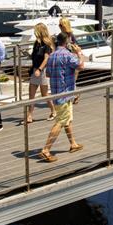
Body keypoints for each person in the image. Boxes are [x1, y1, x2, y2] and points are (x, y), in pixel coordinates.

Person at [39, 32, 84, 162]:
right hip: (65, 93)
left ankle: (73, 143)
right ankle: (46, 150)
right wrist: (79, 53)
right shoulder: (67, 55)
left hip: (57, 93)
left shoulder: (52, 56)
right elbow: (81, 66)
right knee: (60, 121)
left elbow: (47, 74)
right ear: (67, 41)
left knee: (67, 119)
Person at [26, 23, 55, 123]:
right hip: (35, 70)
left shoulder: (46, 44)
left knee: (44, 94)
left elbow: (46, 58)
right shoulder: (37, 43)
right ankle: (29, 115)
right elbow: (35, 56)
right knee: (32, 94)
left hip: (42, 71)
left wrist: (39, 69)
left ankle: (53, 110)